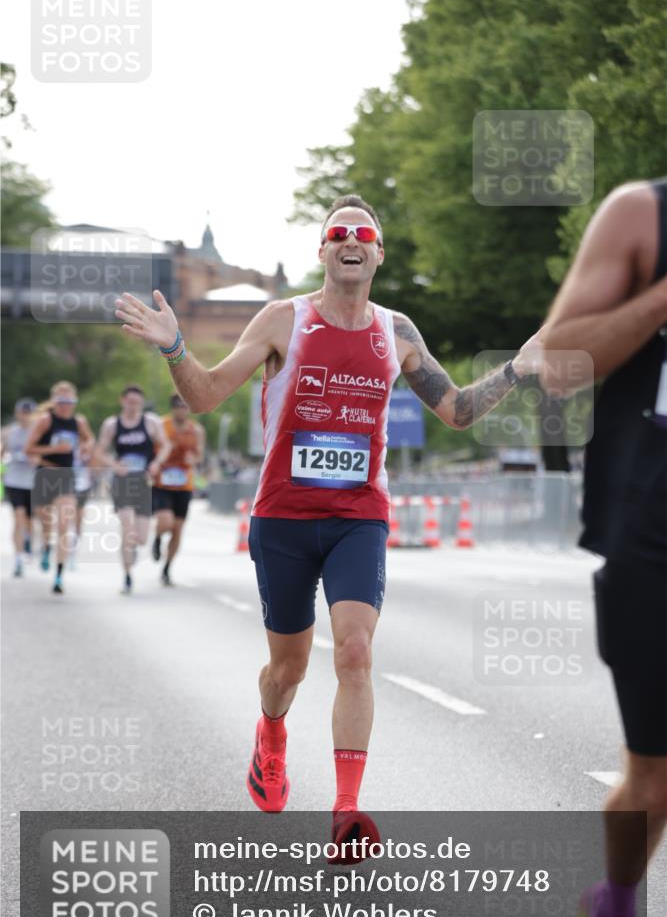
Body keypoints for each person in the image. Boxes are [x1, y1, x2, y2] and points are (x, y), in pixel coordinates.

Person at [115, 194, 542, 854]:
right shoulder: (282, 319)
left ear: (376, 253)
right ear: (322, 251)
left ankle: (346, 812)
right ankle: (272, 733)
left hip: (358, 517)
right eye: (337, 232)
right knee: (286, 671)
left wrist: (515, 370)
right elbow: (204, 396)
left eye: (362, 234)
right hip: (283, 517)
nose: (350, 240)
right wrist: (173, 345)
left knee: (354, 651)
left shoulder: (396, 332)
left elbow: (455, 411)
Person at [543, 178, 667, 917]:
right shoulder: (642, 214)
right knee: (652, 779)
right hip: (653, 530)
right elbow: (557, 365)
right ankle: (616, 908)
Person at [96, 386, 171, 594]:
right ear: (123, 401)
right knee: (127, 527)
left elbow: (165, 445)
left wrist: (156, 463)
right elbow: (100, 451)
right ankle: (127, 576)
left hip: (143, 480)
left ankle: (135, 550)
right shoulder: (112, 425)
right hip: (122, 480)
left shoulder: (151, 422)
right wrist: (114, 464)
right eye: (130, 402)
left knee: (141, 537)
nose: (133, 406)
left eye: (137, 402)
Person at [23, 381, 95, 594]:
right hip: (45, 474)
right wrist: (55, 447)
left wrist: (85, 447)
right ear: (54, 402)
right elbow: (29, 449)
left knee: (65, 525)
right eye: (61, 402)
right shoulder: (45, 421)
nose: (65, 406)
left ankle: (59, 575)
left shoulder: (79, 422)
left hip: (66, 475)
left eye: (70, 402)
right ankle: (46, 547)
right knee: (46, 522)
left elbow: (89, 439)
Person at [151, 393, 206, 586]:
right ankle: (157, 538)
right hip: (162, 483)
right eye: (178, 406)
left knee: (177, 529)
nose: (182, 410)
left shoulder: (196, 430)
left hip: (184, 484)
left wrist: (194, 459)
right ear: (173, 408)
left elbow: (200, 455)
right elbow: (151, 448)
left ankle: (167, 568)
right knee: (165, 522)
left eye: (185, 406)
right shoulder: (161, 425)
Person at [1, 397, 38, 577]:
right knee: (18, 517)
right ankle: (17, 558)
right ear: (17, 413)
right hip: (14, 480)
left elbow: (44, 456)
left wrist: (35, 459)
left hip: (32, 481)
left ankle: (29, 541)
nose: (25, 416)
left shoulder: (38, 432)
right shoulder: (9, 433)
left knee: (30, 520)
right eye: (23, 413)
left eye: (28, 413)